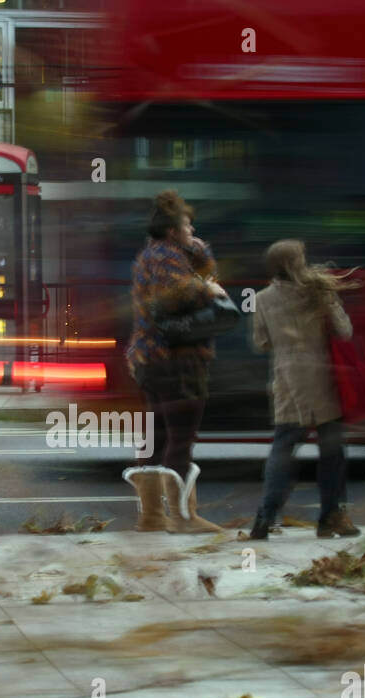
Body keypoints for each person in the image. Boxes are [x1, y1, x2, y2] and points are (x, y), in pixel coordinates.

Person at [122, 190, 227, 534]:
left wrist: (197, 248)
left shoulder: (151, 254)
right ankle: (184, 518)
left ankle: (152, 516)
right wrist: (206, 290)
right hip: (176, 358)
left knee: (157, 435)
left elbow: (203, 267)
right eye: (186, 224)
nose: (192, 228)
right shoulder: (166, 257)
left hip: (150, 359)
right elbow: (174, 297)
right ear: (172, 231)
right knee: (181, 437)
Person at [248, 239, 362, 539]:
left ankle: (264, 517)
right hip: (323, 378)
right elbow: (344, 331)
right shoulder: (319, 292)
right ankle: (330, 518)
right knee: (332, 451)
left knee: (283, 448)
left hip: (287, 383)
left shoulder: (262, 299)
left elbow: (261, 343)